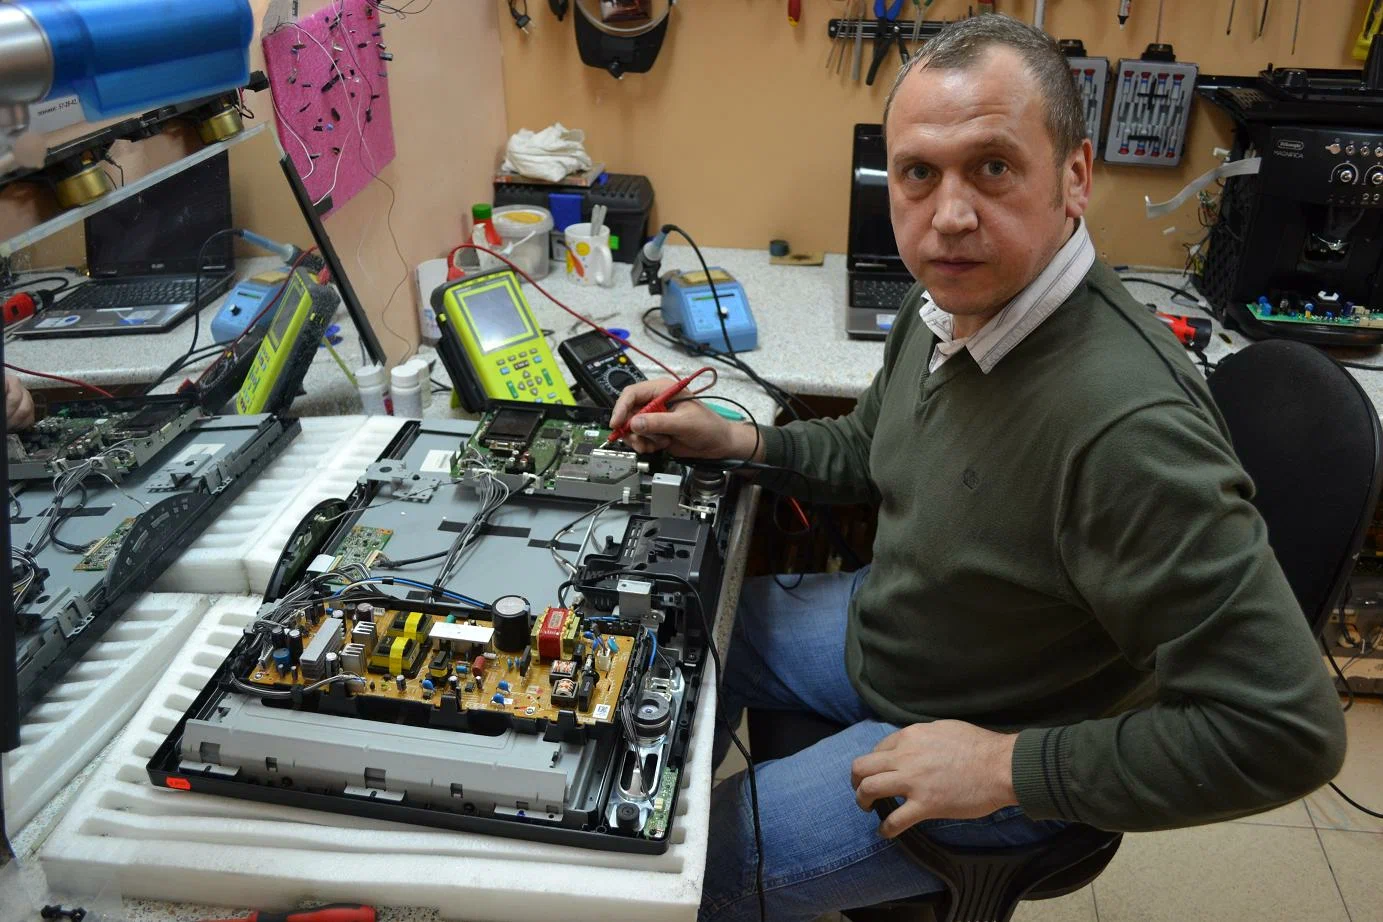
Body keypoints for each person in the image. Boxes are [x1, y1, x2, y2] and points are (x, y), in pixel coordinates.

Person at [611, 15, 1347, 922]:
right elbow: (870, 449)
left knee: (676, 868)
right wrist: (740, 443)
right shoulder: (947, 305)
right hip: (902, 632)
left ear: (1074, 177)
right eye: (918, 173)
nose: (948, 216)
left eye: (992, 167)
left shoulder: (1126, 430)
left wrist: (1004, 767)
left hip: (993, 733)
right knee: (680, 624)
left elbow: (1285, 733)